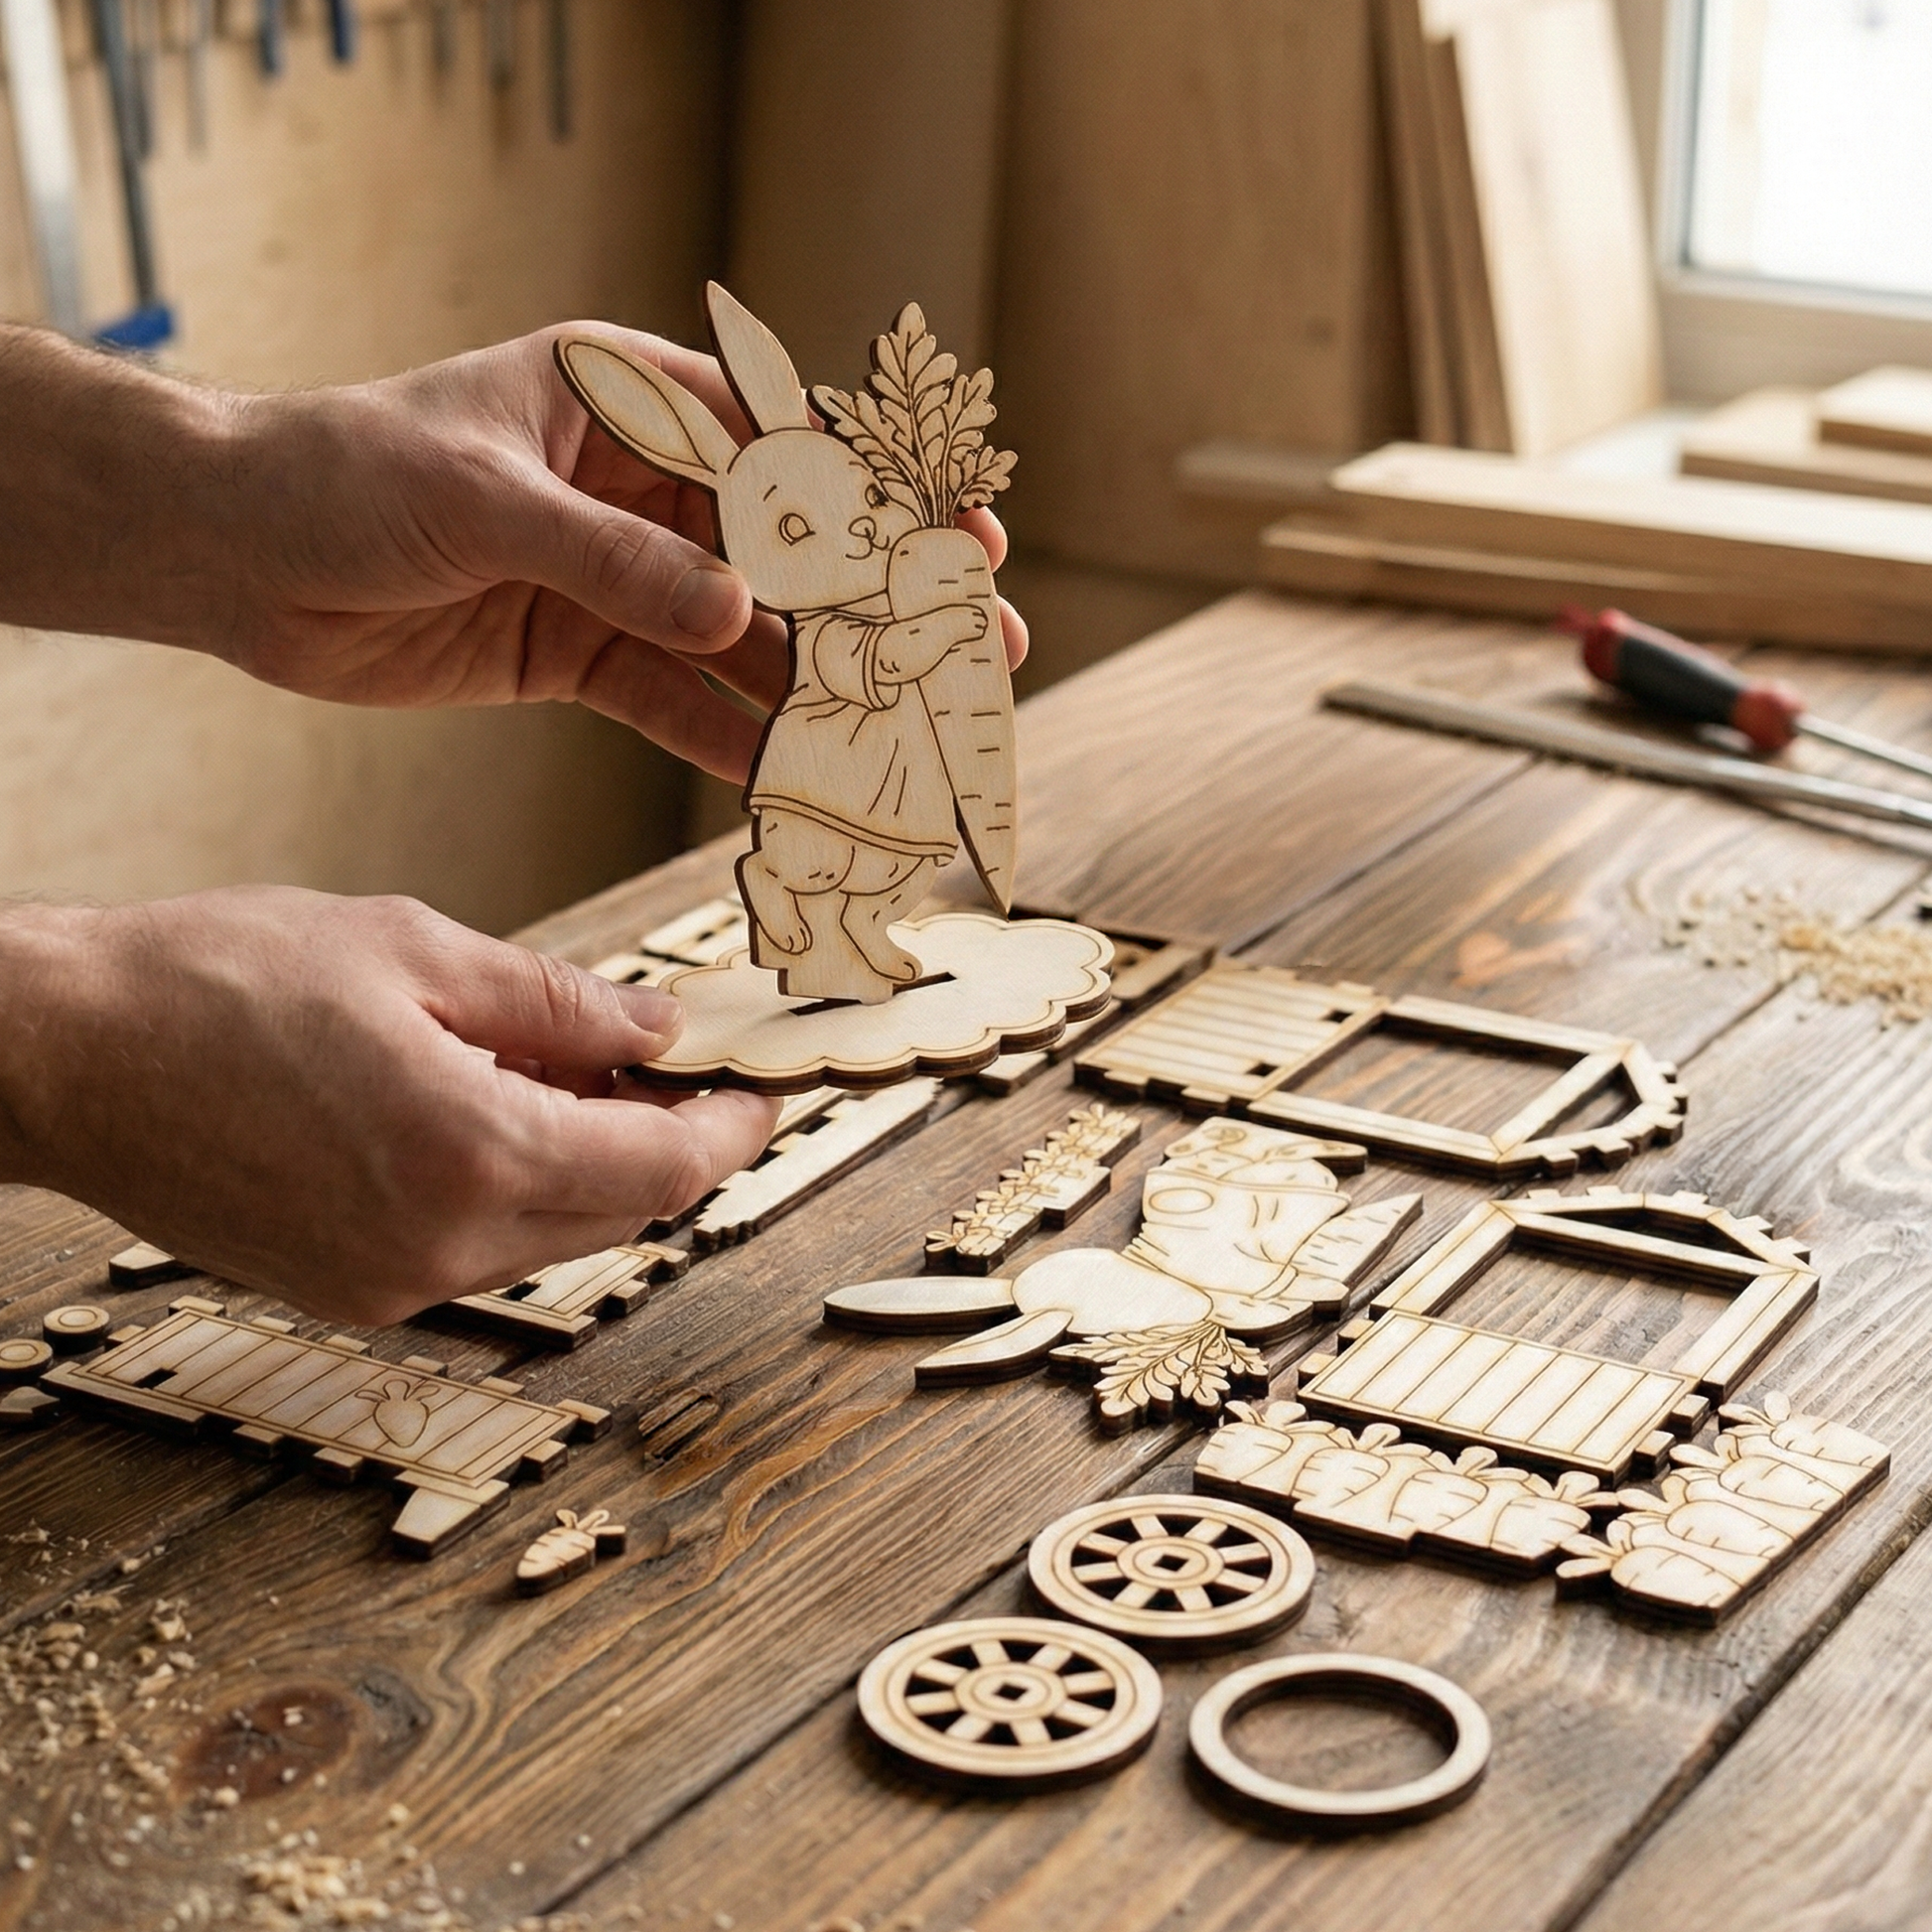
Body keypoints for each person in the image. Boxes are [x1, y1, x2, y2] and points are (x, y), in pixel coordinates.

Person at [0, 322, 1027, 1327]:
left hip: (852, 774)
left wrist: (233, 482)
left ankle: (841, 935)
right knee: (812, 865)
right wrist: (69, 1046)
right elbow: (867, 667)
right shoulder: (848, 647)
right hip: (816, 782)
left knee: (857, 855)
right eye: (808, 531)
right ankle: (823, 934)